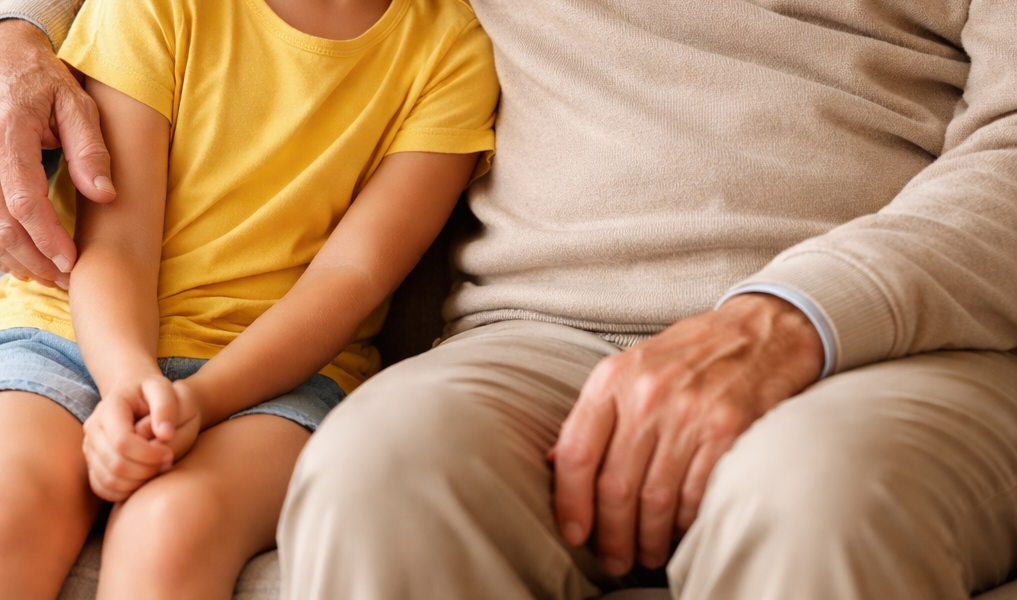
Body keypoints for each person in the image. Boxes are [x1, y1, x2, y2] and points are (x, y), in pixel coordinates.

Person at [2, 1, 1017, 600]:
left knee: (814, 501)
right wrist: (17, 29)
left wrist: (790, 316)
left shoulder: (435, 52)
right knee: (380, 472)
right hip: (538, 331)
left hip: (888, 337)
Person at [0, 0, 498, 597]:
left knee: (170, 528)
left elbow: (351, 276)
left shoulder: (455, 49)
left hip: (280, 380)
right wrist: (128, 381)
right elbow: (117, 242)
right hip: (71, 336)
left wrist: (199, 399)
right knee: (9, 507)